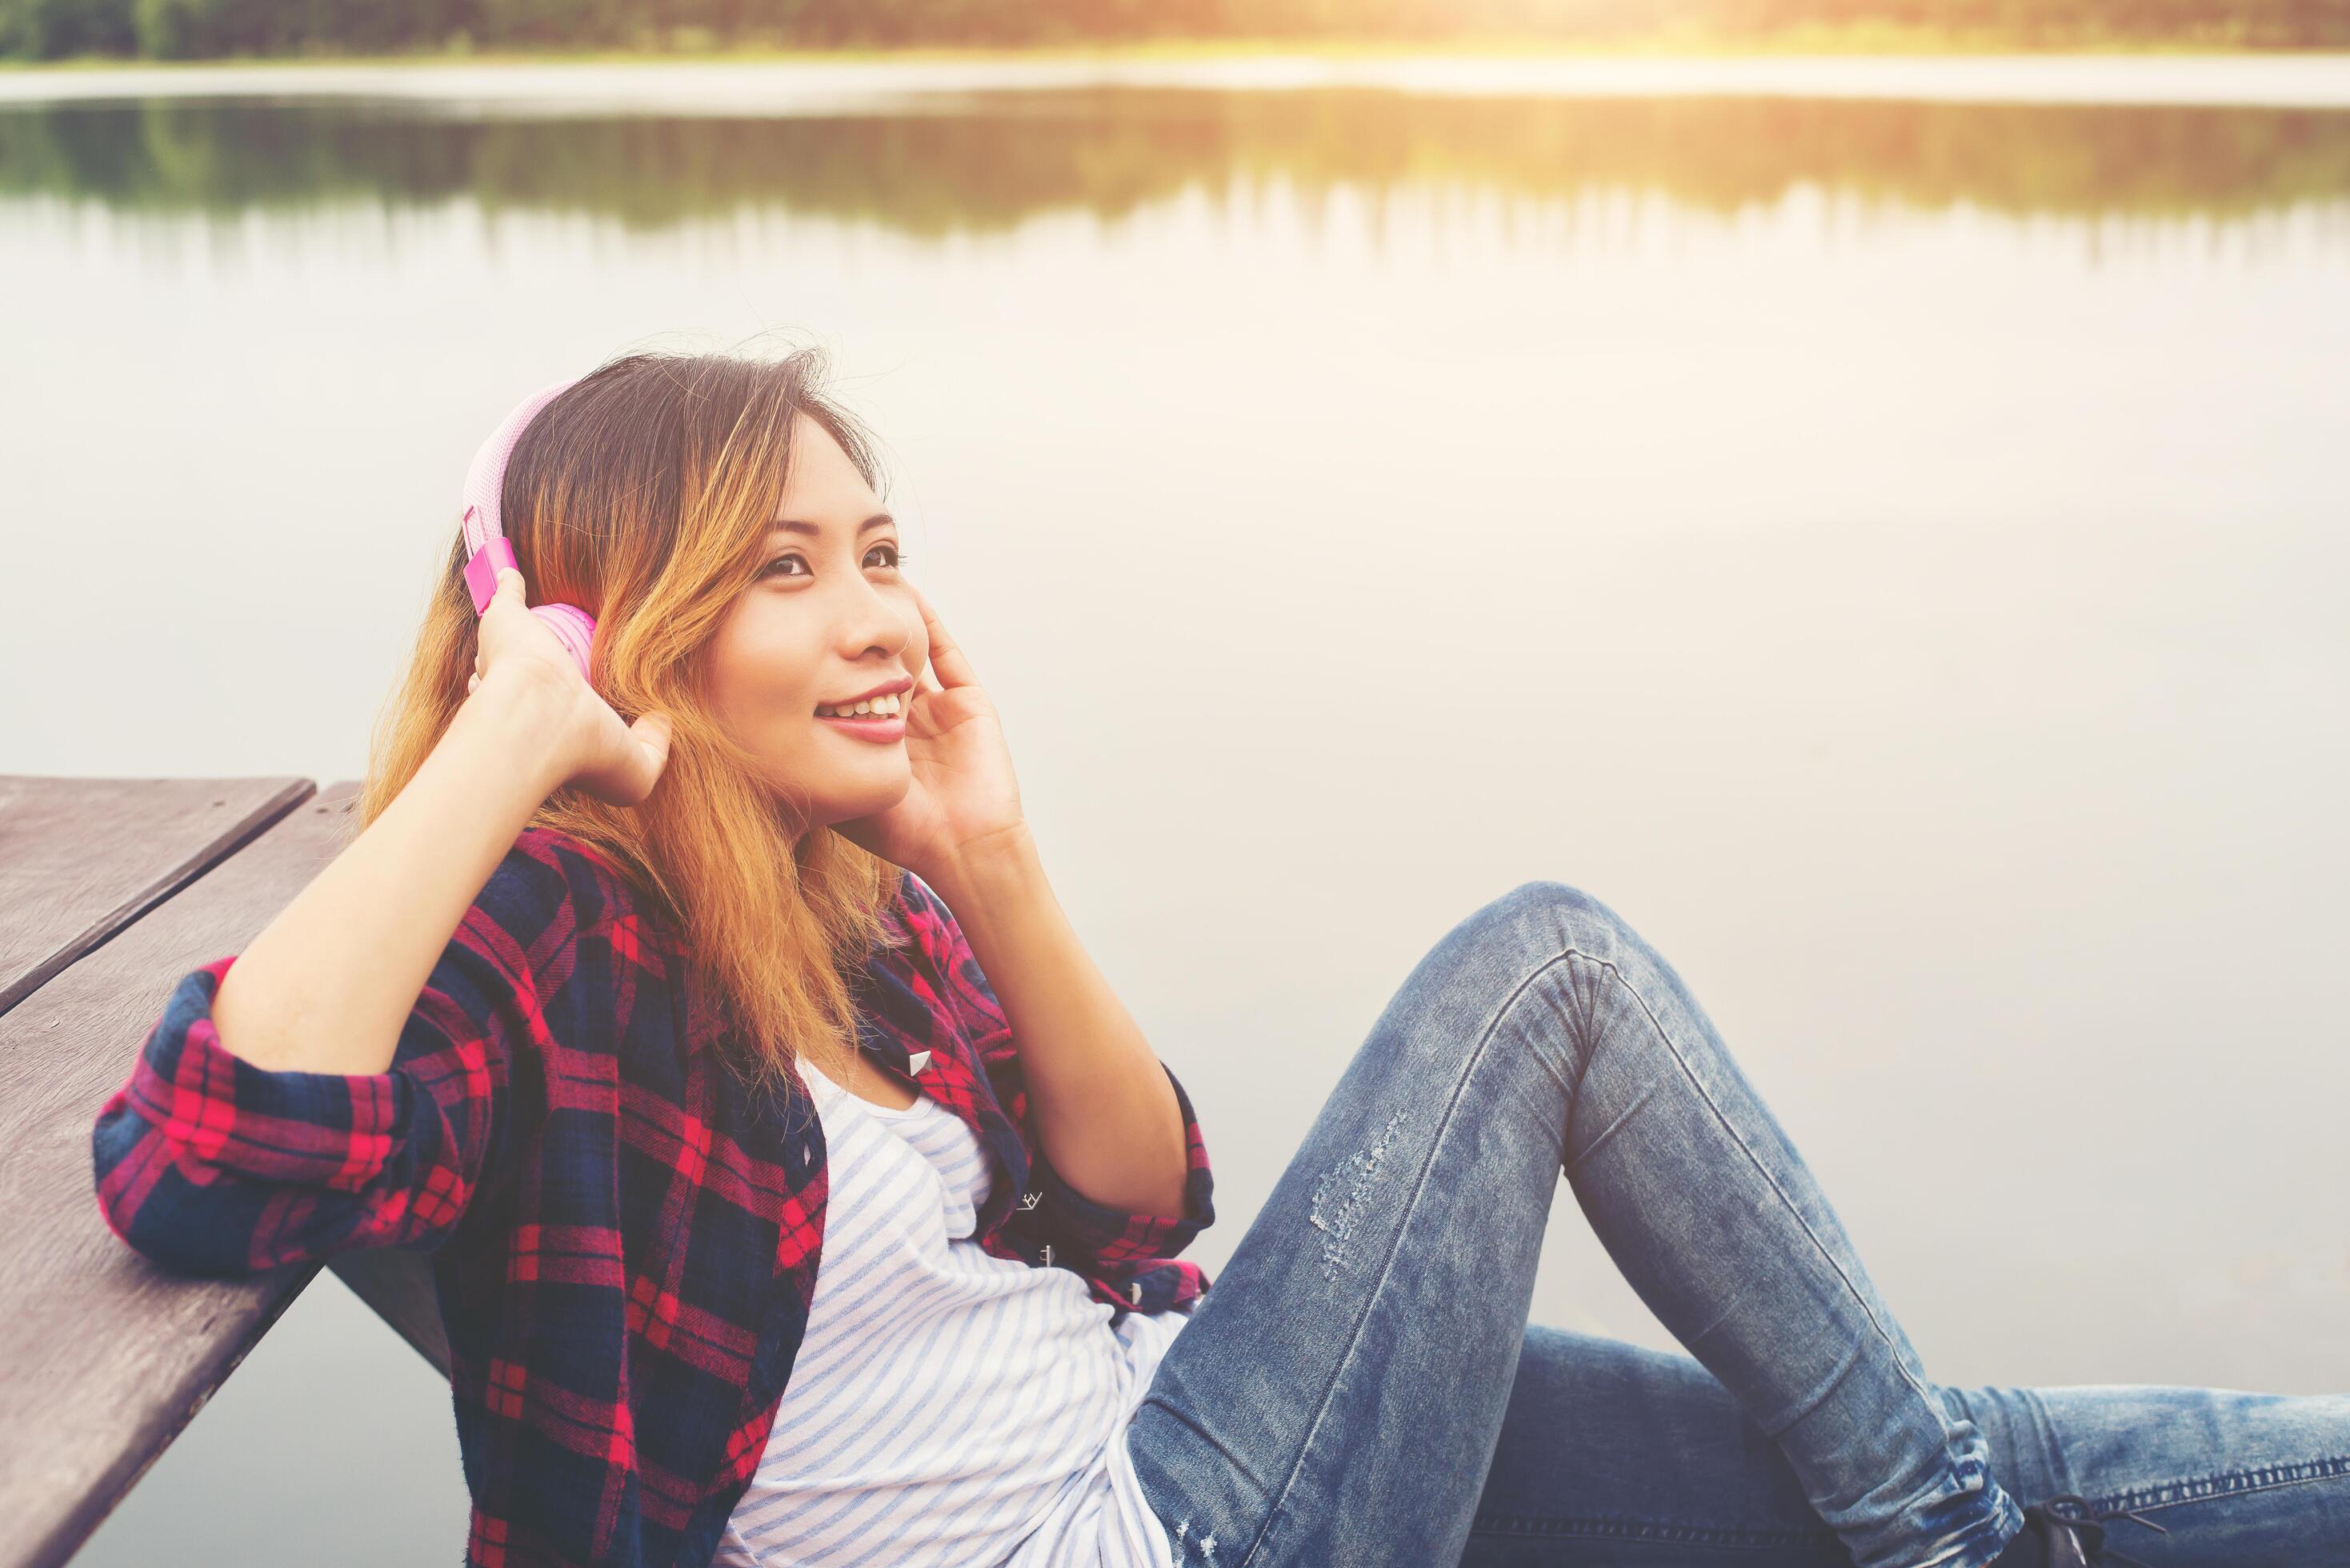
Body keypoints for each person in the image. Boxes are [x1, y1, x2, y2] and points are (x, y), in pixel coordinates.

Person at [92, 349, 2347, 1568]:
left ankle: (1948, 1526)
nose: (880, 609)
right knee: (1542, 967)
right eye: (789, 570)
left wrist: (991, 857)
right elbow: (204, 1161)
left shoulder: (838, 908)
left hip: (1184, 1430)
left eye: (882, 547)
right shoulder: (553, 922)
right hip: (1139, 1539)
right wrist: (506, 737)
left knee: (1956, 1443)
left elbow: (1140, 1203)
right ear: (603, 616)